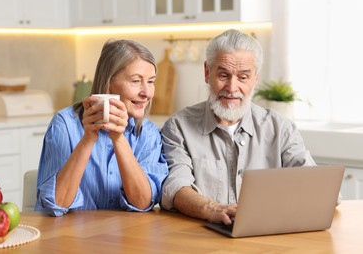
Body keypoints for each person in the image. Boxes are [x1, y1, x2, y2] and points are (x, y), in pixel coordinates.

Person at [160, 29, 317, 225]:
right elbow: (175, 187)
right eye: (224, 75)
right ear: (207, 73)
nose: (232, 88)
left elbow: (316, 186)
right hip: (202, 239)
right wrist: (212, 209)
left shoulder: (281, 129)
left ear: (255, 79)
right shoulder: (178, 127)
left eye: (243, 77)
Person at [35, 39, 168, 216]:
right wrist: (88, 139)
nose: (147, 93)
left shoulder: (148, 133)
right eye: (136, 81)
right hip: (69, 238)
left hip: (128, 239)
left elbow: (142, 203)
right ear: (108, 81)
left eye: (150, 82)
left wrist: (118, 138)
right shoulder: (65, 124)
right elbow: (57, 204)